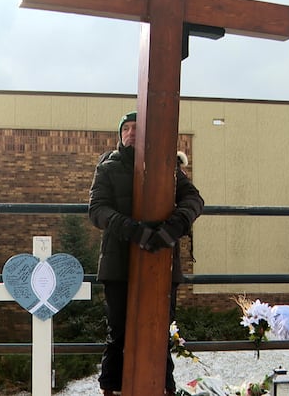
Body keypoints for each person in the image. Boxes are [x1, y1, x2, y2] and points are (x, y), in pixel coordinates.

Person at [89, 111, 204, 396]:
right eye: (125, 128)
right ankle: (111, 388)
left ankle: (163, 387)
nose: (130, 133)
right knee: (118, 331)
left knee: (160, 330)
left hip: (162, 261)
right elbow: (97, 210)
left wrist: (173, 228)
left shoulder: (167, 166)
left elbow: (194, 199)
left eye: (136, 128)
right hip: (118, 261)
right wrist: (132, 230)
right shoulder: (108, 166)